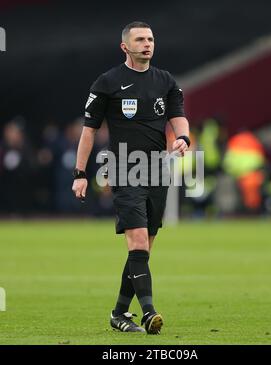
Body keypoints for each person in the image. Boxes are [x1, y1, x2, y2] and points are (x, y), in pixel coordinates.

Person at [72, 21, 190, 334]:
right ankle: (149, 312)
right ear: (125, 46)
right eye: (139, 39)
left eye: (150, 39)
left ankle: (119, 314)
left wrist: (184, 138)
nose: (147, 44)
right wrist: (80, 173)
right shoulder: (108, 82)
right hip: (125, 169)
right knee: (137, 242)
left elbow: (178, 115)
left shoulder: (165, 80)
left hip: (157, 170)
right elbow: (88, 131)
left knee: (142, 250)